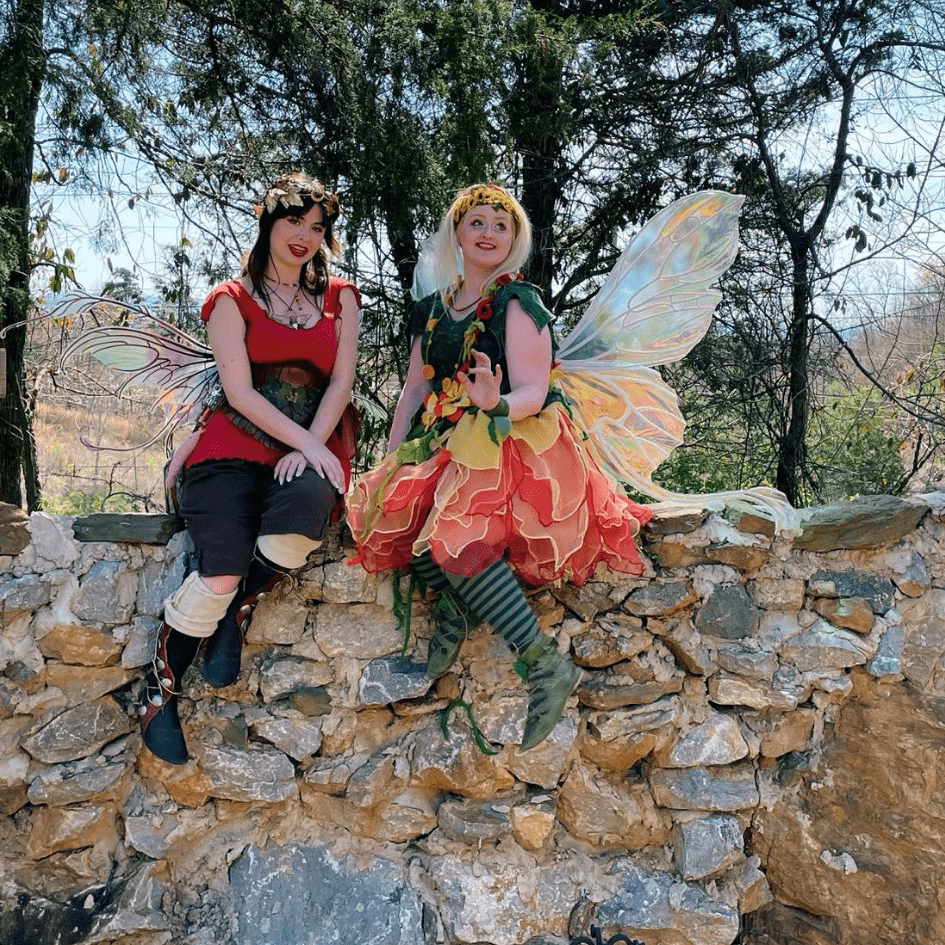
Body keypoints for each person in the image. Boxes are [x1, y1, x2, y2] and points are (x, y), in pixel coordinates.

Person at [347, 183, 651, 751]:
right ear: (457, 232)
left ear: (514, 239)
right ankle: (456, 612)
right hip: (443, 438)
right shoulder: (431, 310)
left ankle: (545, 666)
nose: (488, 233)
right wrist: (391, 459)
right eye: (477, 222)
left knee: (455, 534)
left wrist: (493, 403)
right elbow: (414, 390)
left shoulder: (518, 301)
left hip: (508, 437)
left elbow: (534, 388)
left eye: (501, 225)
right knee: (397, 517)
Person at [139, 171, 361, 765]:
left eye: (317, 227)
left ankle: (235, 614)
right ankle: (159, 695)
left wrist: (311, 449)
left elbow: (341, 382)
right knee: (219, 573)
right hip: (229, 451)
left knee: (300, 522)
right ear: (268, 222)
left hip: (307, 447)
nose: (305, 235)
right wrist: (307, 445)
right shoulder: (229, 300)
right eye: (293, 221)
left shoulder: (340, 299)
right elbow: (237, 392)